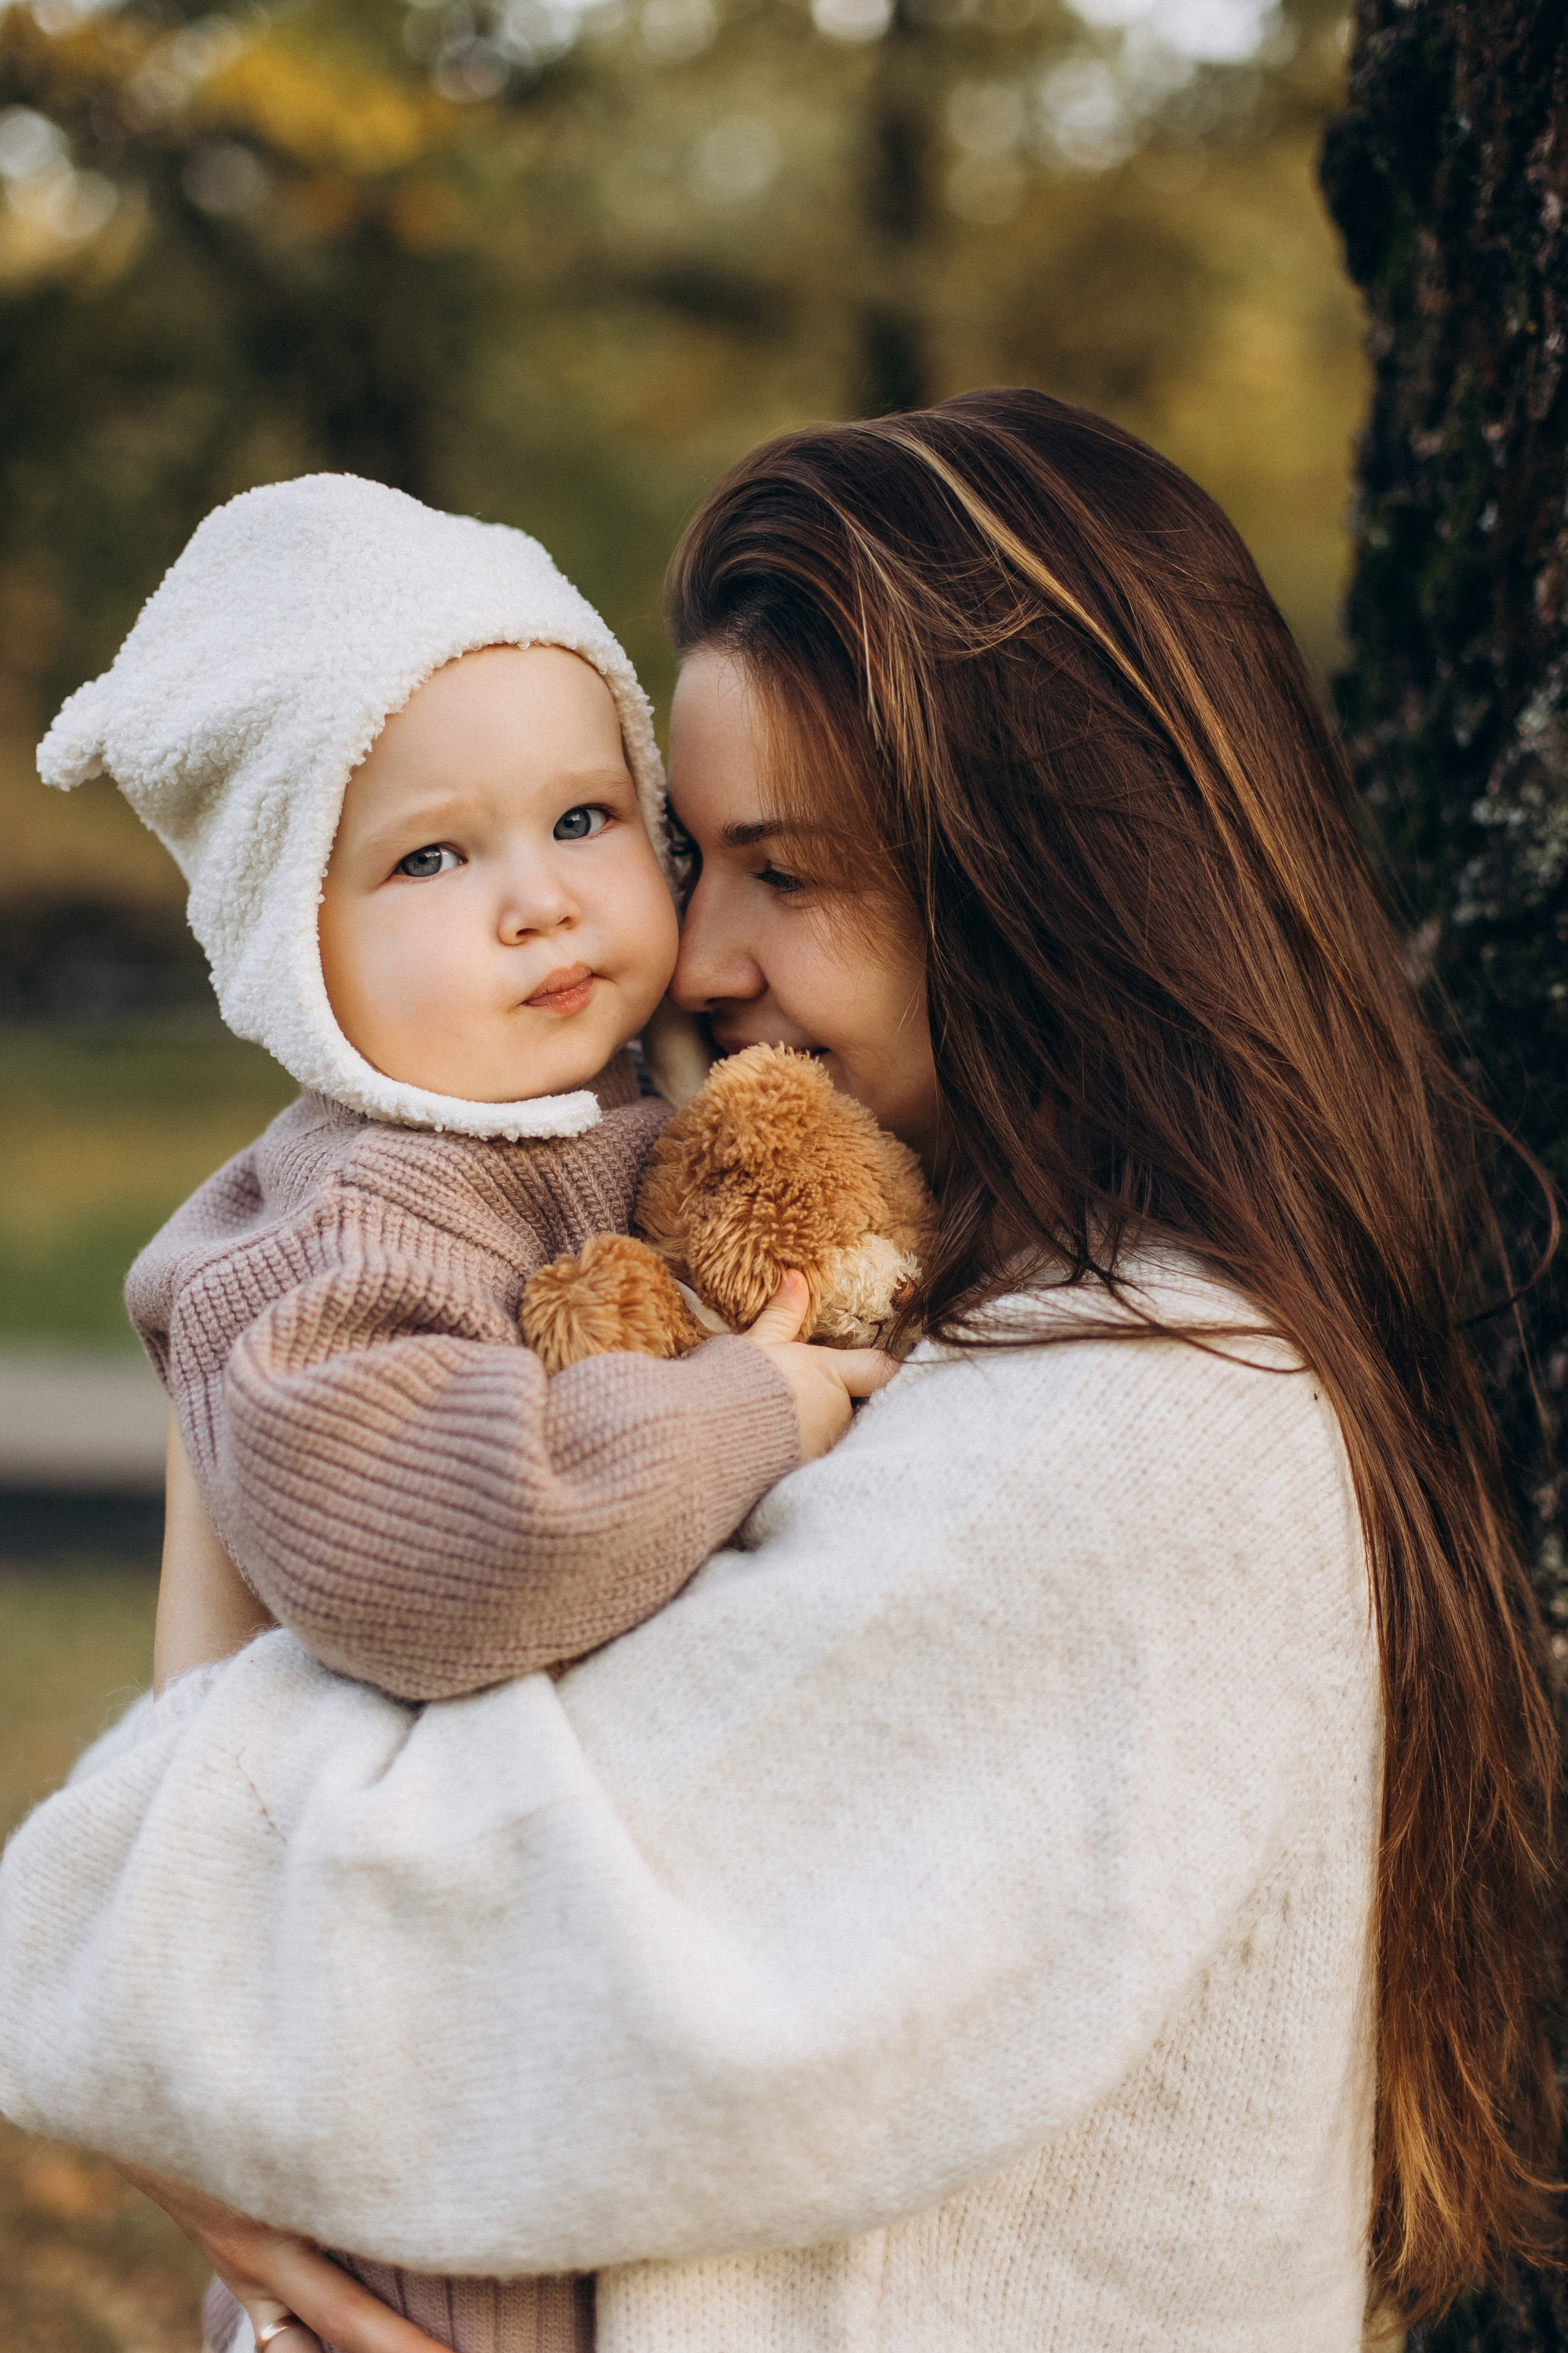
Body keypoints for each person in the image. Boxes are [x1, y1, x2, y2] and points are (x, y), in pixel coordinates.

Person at [0, 391, 1559, 2352]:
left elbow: (358, 1979)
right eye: (689, 852)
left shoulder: (1135, 1421)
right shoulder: (954, 1300)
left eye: (786, 871)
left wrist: (153, 2013)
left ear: (1043, 881)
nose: (695, 953)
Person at [25, 470, 891, 2351]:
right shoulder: (341, 1226)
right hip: (407, 2118)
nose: (537, 901)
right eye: (430, 858)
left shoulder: (626, 1131)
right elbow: (444, 1541)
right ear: (289, 946)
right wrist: (751, 1399)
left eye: (586, 817)